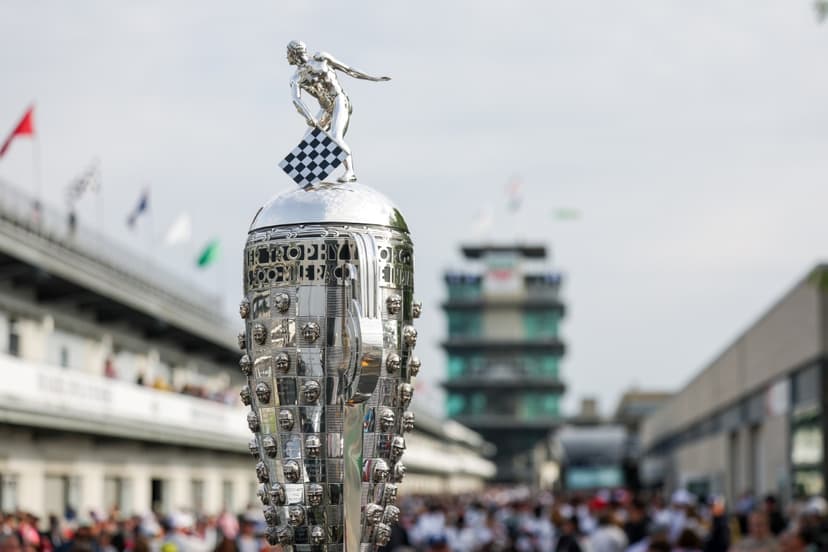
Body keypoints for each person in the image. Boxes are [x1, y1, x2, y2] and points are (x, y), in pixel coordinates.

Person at [286, 40, 391, 183]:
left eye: (288, 54)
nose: (287, 58)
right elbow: (296, 100)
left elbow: (349, 70)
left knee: (336, 137)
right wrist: (309, 117)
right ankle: (311, 177)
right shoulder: (296, 77)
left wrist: (373, 78)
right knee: (307, 141)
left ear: (294, 53)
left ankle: (350, 172)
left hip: (339, 100)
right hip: (325, 108)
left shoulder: (321, 58)